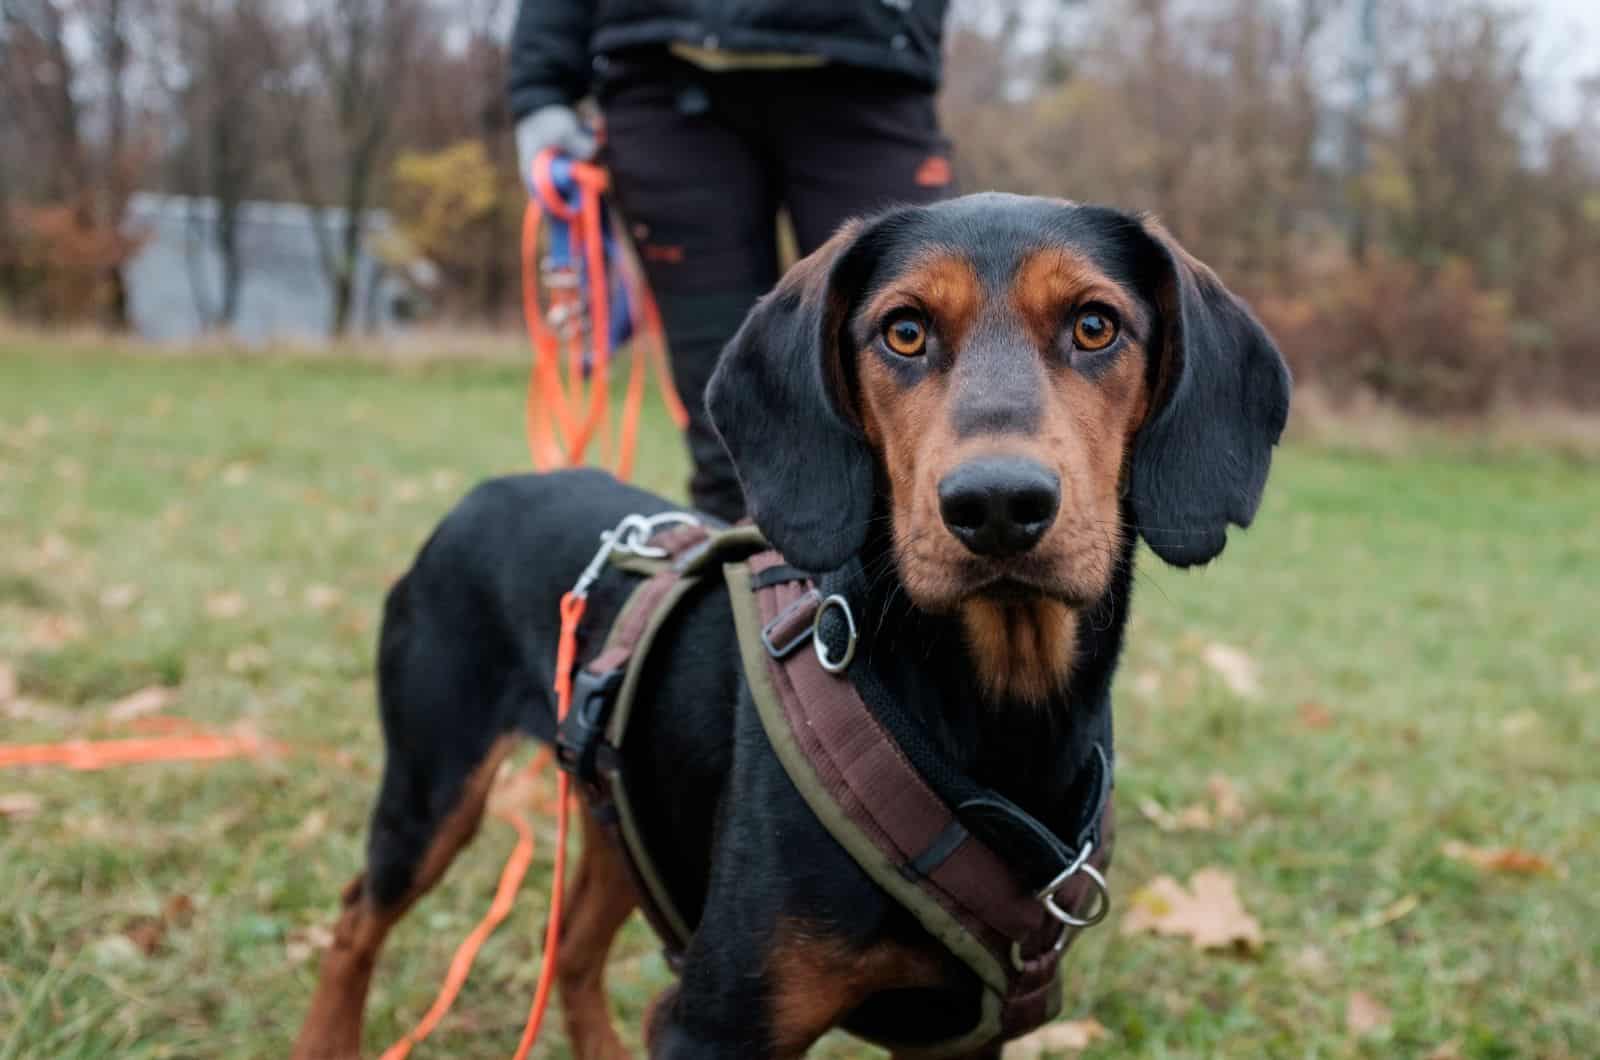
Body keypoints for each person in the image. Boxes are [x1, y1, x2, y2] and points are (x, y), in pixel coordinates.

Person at [509, 1, 956, 524]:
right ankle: (741, 595)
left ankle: (917, 590)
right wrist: (539, 89)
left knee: (924, 381)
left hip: (871, 67)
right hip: (664, 80)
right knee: (723, 432)